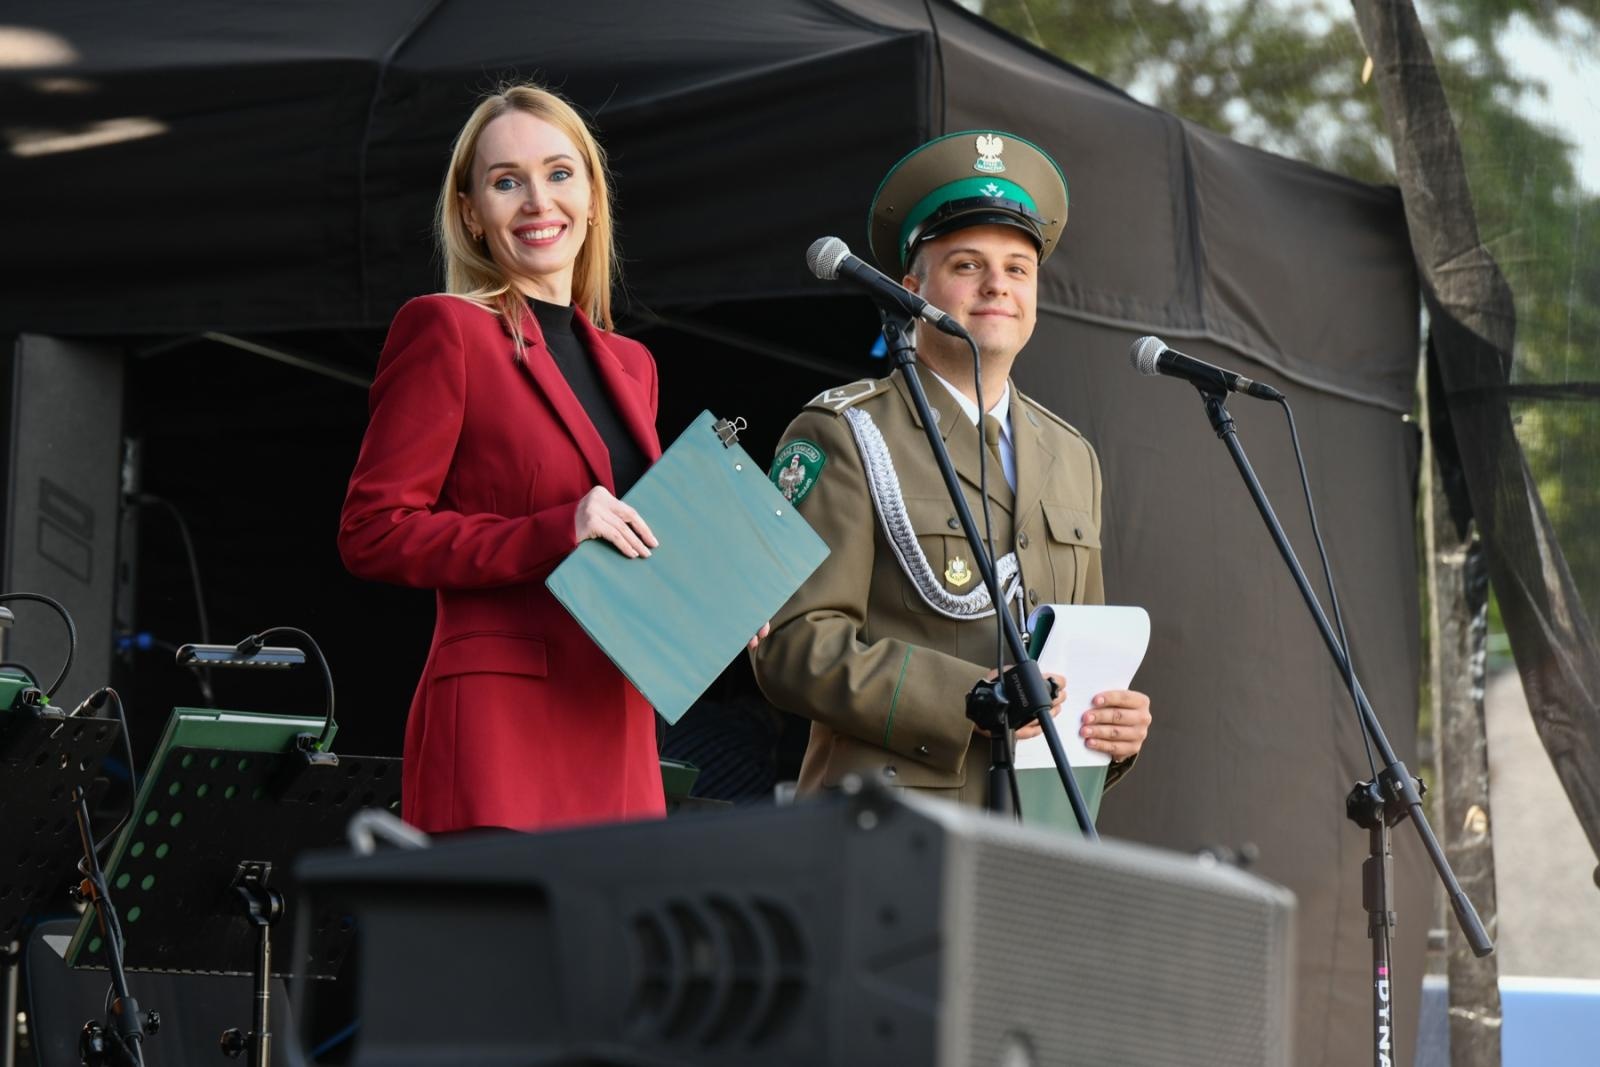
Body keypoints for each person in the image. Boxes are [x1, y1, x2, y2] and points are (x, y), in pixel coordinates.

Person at [751, 130, 1152, 810]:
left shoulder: (1071, 456)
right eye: (967, 265)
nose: (998, 284)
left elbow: (1075, 658)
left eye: (1018, 268)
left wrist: (1111, 730)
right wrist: (966, 700)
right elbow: (791, 643)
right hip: (887, 824)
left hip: (1034, 827)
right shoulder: (844, 432)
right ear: (912, 290)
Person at [338, 85, 682, 833]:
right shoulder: (446, 330)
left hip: (618, 733)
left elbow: (636, 543)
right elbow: (374, 529)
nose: (537, 201)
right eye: (506, 181)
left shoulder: (633, 365)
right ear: (470, 213)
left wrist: (718, 593)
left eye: (559, 174)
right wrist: (558, 527)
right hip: (500, 740)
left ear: (592, 196)